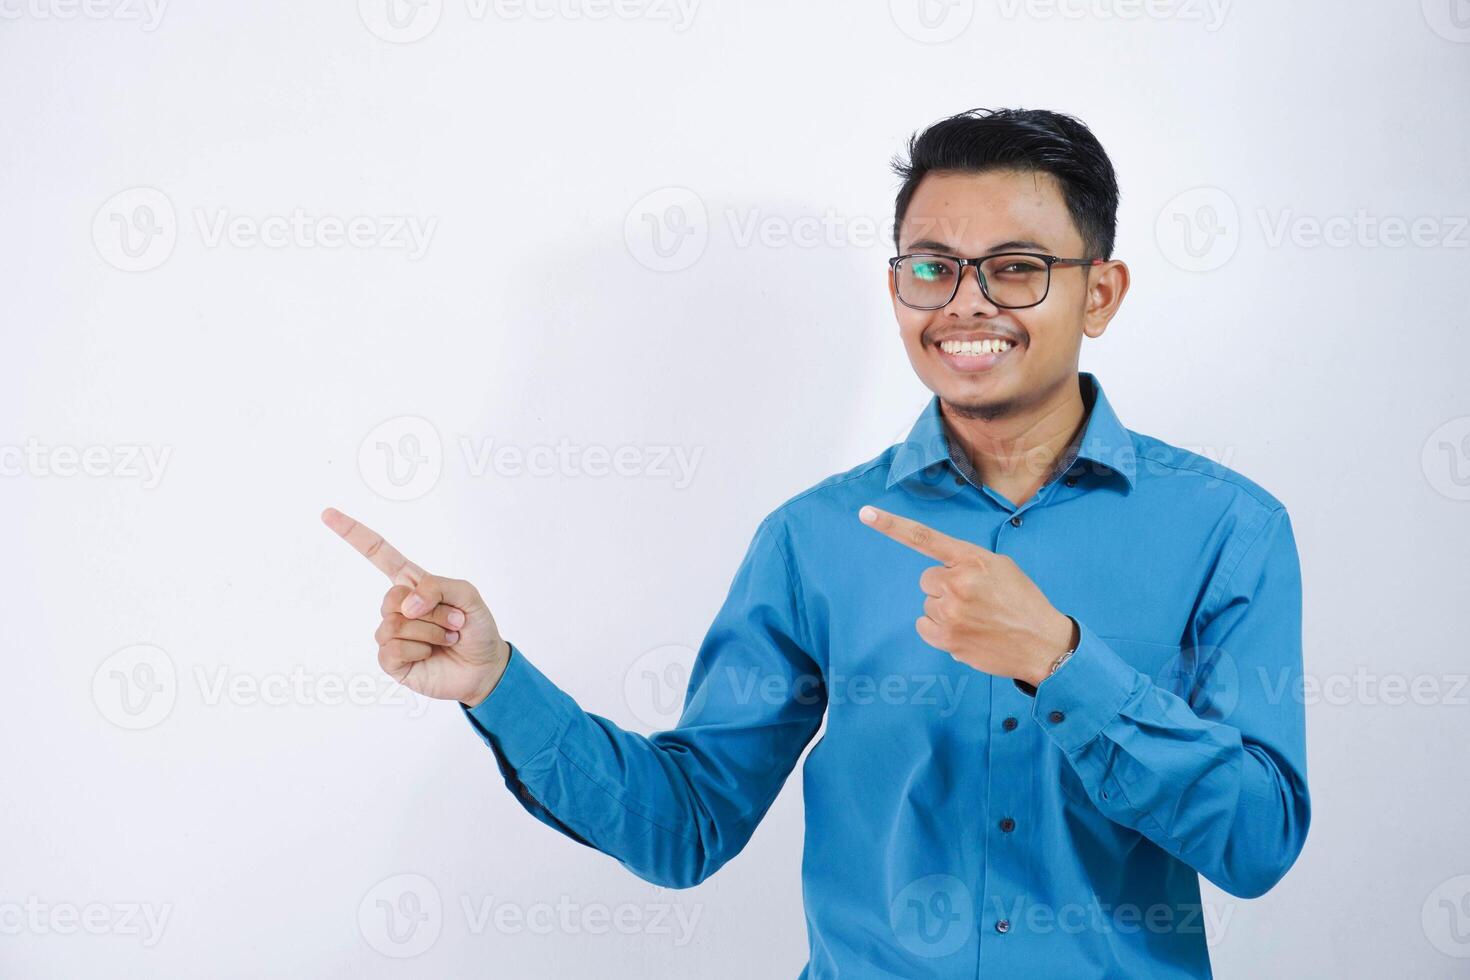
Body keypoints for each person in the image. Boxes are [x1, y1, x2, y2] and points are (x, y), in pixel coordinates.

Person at [323, 107, 1310, 978]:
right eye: (932, 267)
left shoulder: (1229, 526)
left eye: (1016, 269)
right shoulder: (814, 538)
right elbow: (686, 824)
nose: (966, 303)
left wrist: (1061, 662)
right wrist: (498, 679)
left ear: (1099, 292)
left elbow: (1257, 841)